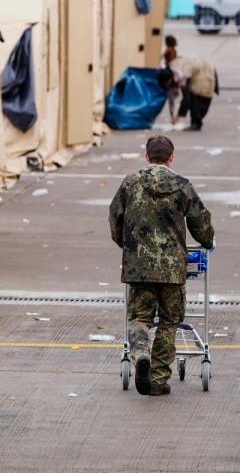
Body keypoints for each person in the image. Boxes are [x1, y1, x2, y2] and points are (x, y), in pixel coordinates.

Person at [110, 135, 214, 395]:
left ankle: (141, 354)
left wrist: (127, 244)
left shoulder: (130, 184)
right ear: (171, 157)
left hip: (138, 268)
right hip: (172, 269)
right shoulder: (182, 186)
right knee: (169, 321)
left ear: (147, 157)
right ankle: (157, 380)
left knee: (139, 318)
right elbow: (201, 224)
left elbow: (115, 220)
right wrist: (208, 240)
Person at [160, 55, 218, 131]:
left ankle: (196, 124)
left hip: (204, 75)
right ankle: (195, 122)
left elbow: (186, 99)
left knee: (196, 99)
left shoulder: (180, 76)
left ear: (169, 79)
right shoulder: (174, 67)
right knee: (195, 98)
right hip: (207, 69)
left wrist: (177, 116)